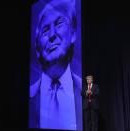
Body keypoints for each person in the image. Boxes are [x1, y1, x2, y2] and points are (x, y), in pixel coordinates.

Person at [29, 0, 82, 130]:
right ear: (37, 48)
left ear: (73, 33)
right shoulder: (30, 96)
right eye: (45, 31)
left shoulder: (85, 91)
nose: (52, 35)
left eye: (59, 24)